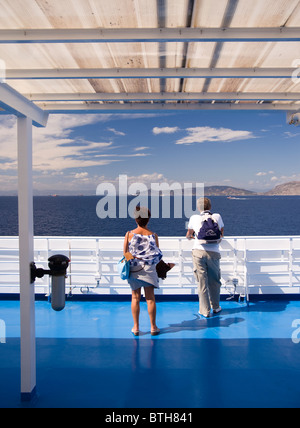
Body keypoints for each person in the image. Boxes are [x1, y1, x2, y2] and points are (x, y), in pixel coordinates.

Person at [123, 206, 173, 336]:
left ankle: (136, 327)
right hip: (149, 269)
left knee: (135, 297)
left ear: (136, 219)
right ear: (148, 220)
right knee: (150, 299)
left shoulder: (129, 234)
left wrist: (134, 260)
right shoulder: (153, 236)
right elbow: (155, 256)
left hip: (134, 269)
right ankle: (153, 327)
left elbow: (125, 254)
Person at [186, 197, 224, 318]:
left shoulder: (194, 218)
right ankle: (216, 307)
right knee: (214, 281)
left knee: (202, 282)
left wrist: (192, 237)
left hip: (198, 252)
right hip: (213, 253)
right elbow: (221, 233)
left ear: (199, 208)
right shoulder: (217, 216)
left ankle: (205, 310)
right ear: (210, 207)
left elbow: (188, 235)